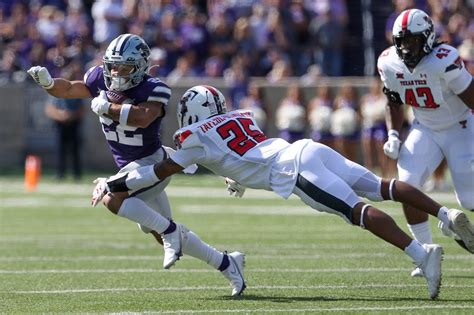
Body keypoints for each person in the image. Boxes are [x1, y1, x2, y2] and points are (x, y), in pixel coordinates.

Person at [93, 85, 474, 300]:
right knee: (383, 187)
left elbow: (162, 169)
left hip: (293, 171)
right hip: (308, 150)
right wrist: (234, 176)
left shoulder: (193, 136)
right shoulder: (241, 116)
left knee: (357, 211)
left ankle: (421, 255)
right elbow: (236, 153)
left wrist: (113, 184)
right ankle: (443, 215)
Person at [27, 34, 245, 297]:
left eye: (125, 66)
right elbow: (70, 88)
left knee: (112, 198)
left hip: (151, 164)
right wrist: (49, 83)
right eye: (113, 65)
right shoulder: (100, 78)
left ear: (140, 66)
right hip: (133, 168)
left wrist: (107, 107)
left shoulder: (154, 88)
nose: (117, 72)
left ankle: (171, 231)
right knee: (157, 230)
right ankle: (226, 262)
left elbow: (143, 118)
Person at [377, 9, 474, 277]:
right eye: (402, 41)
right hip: (425, 127)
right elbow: (393, 101)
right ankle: (425, 251)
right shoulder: (388, 61)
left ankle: (453, 227)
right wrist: (393, 134)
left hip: (460, 127)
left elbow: (472, 97)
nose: (407, 47)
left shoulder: (445, 60)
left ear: (428, 38)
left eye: (413, 40)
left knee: (469, 198)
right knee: (407, 184)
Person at [45, 94, 85, 180]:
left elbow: (82, 109)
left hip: (73, 124)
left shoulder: (77, 93)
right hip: (60, 125)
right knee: (60, 150)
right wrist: (61, 115)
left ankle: (77, 174)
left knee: (75, 150)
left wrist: (72, 115)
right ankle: (60, 173)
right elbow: (50, 109)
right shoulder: (56, 93)